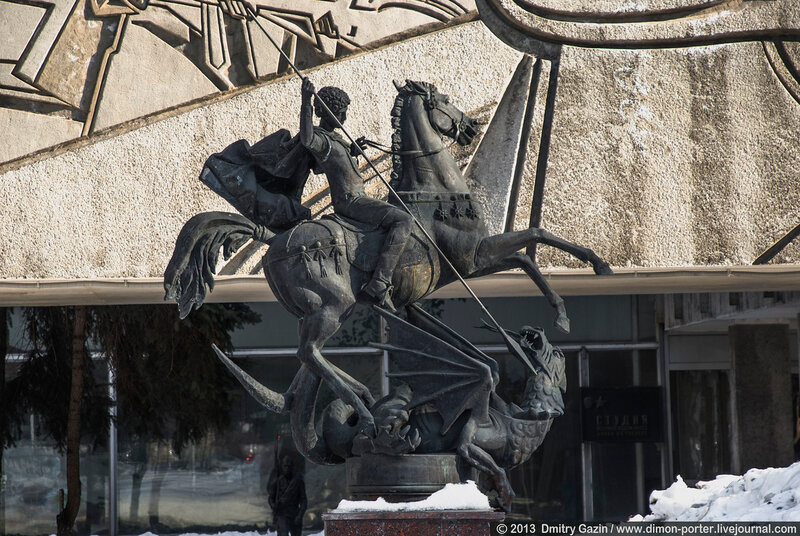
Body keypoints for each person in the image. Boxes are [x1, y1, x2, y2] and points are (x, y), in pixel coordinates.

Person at [299, 78, 413, 312]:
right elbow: (306, 138)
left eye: (344, 112)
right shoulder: (321, 138)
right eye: (340, 113)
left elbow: (341, 163)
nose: (344, 118)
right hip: (350, 201)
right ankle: (380, 283)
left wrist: (353, 150)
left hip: (356, 197)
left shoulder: (336, 140)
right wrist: (306, 101)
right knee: (403, 219)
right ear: (327, 112)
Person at [268, 456, 306, 536]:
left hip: (294, 513)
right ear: (282, 467)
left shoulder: (298, 481)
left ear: (292, 467)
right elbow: (271, 497)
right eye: (285, 466)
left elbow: (303, 500)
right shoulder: (278, 482)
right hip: (282, 514)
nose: (287, 468)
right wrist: (274, 506)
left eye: (289, 466)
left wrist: (300, 515)